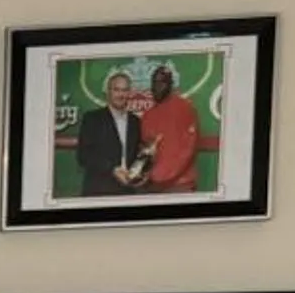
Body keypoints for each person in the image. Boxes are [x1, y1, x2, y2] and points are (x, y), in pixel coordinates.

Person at [73, 72, 148, 196]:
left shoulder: (136, 122)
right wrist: (112, 169)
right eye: (116, 90)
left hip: (128, 192)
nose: (121, 95)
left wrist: (143, 173)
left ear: (130, 93)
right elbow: (83, 156)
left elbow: (137, 155)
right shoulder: (92, 118)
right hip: (98, 191)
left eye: (125, 90)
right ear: (108, 92)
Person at [138, 65, 204, 195]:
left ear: (171, 85)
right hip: (153, 186)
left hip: (180, 185)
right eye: (154, 83)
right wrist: (144, 175)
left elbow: (189, 149)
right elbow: (146, 152)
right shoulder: (147, 116)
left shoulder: (185, 108)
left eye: (161, 82)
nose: (156, 87)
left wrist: (165, 178)